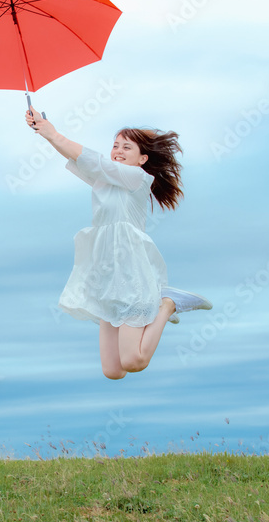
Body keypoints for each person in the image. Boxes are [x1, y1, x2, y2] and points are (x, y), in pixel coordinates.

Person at [25, 107, 212, 379]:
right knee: (113, 371)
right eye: (115, 146)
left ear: (142, 159)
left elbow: (92, 160)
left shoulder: (137, 177)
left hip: (129, 271)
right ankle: (160, 306)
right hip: (105, 275)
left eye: (126, 147)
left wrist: (52, 132)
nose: (118, 151)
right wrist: (44, 132)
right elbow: (79, 159)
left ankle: (167, 304)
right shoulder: (106, 180)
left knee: (134, 361)